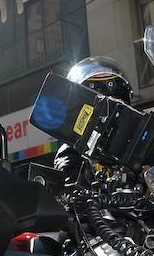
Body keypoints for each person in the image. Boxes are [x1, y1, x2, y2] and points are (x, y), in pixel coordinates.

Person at [53, 56, 134, 184]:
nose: (109, 116)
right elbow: (68, 180)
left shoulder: (135, 143)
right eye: (102, 110)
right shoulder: (73, 149)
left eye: (117, 106)